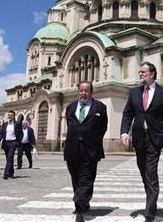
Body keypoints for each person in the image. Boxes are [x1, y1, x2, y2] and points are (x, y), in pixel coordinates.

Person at [120, 61, 163, 222]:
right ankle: (151, 199)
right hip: (138, 137)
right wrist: (124, 132)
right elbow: (127, 114)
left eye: (143, 72)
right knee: (143, 170)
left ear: (152, 74)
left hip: (155, 138)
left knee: (151, 172)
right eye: (140, 72)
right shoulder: (134, 92)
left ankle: (150, 213)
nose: (140, 74)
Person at [64, 81, 108, 222]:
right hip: (72, 149)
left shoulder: (100, 107)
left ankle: (80, 207)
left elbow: (103, 127)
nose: (83, 93)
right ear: (78, 91)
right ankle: (83, 202)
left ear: (91, 92)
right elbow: (70, 125)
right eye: (81, 90)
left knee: (86, 179)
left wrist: (93, 139)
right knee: (76, 179)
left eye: (86, 91)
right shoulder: (70, 107)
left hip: (90, 149)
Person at [0, 110, 23, 179]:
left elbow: (21, 134)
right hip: (6, 143)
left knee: (9, 158)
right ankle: (11, 172)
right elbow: (1, 133)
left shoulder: (17, 124)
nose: (10, 116)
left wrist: (18, 142)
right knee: (9, 159)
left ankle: (6, 173)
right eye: (9, 115)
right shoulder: (5, 124)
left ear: (14, 116)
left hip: (13, 143)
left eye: (11, 115)